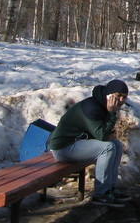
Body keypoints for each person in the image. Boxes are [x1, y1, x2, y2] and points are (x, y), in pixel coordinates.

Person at [50, 79, 131, 207]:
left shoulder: (104, 105)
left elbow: (102, 131)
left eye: (124, 97)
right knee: (108, 147)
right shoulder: (91, 107)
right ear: (109, 95)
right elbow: (102, 135)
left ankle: (110, 188)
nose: (121, 100)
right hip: (63, 148)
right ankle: (101, 194)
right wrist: (111, 113)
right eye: (118, 96)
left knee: (117, 145)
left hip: (78, 142)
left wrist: (108, 129)